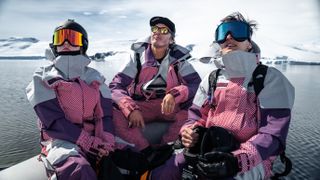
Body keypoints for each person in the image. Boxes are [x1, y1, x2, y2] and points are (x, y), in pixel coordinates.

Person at [150, 12, 295, 179]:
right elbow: (195, 117)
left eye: (238, 32)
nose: (229, 37)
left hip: (254, 158)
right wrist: (189, 131)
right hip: (210, 146)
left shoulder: (270, 79)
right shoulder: (212, 78)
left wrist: (237, 161)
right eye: (223, 33)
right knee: (164, 171)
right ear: (218, 43)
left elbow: (272, 135)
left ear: (249, 43)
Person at [26, 19, 116, 180]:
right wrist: (87, 142)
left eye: (72, 38)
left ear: (83, 44)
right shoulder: (42, 76)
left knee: (121, 161)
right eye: (60, 38)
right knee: (78, 168)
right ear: (54, 44)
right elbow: (52, 120)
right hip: (60, 140)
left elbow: (105, 115)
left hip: (94, 139)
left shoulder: (95, 77)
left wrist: (106, 142)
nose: (66, 42)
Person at [109, 16, 201, 155]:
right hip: (141, 105)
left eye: (164, 30)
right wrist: (131, 108)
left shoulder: (179, 61)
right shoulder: (137, 58)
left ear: (171, 39)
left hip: (168, 106)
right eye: (154, 29)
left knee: (192, 111)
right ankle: (144, 150)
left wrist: (174, 94)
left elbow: (197, 86)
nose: (157, 32)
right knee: (113, 111)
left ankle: (167, 148)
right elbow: (116, 86)